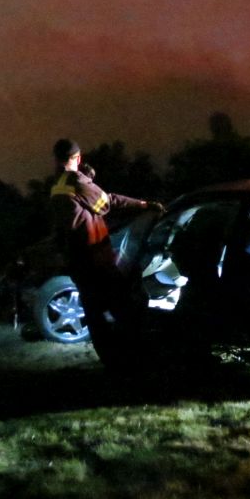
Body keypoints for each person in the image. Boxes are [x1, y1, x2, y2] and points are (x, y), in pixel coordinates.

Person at [46, 138, 161, 363]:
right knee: (123, 307)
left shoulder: (56, 185)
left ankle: (110, 360)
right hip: (95, 258)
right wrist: (145, 205)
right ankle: (133, 357)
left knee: (95, 313)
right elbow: (105, 204)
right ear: (78, 158)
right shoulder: (76, 180)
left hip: (77, 260)